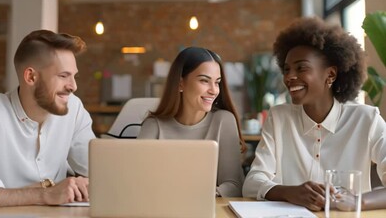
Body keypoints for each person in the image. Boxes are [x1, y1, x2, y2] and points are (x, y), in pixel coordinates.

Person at [242, 17, 386, 211]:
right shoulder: (279, 118)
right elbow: (252, 182)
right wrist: (289, 192)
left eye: (301, 68)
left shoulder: (366, 119)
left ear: (331, 75)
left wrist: (358, 202)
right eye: (286, 69)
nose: (289, 76)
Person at [0, 30, 96, 209]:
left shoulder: (74, 108)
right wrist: (46, 194)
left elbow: (100, 172)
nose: (73, 86)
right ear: (31, 77)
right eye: (63, 76)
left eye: (74, 76)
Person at [137, 46, 245, 197]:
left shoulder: (223, 120)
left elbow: (234, 185)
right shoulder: (153, 125)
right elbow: (137, 180)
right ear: (180, 84)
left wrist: (194, 196)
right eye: (204, 81)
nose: (214, 90)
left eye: (217, 82)